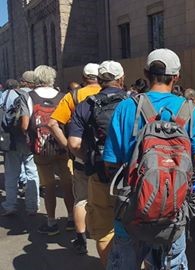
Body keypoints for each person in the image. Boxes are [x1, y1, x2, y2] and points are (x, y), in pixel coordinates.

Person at [103, 48, 195, 269]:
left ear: (145, 73)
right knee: (173, 263)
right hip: (174, 207)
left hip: (133, 208)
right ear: (176, 77)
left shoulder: (126, 107)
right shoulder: (190, 109)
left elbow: (111, 161)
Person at [68, 60, 127, 266]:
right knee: (132, 227)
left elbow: (74, 143)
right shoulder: (135, 102)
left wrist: (90, 158)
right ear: (121, 79)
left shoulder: (86, 105)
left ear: (99, 80)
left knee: (103, 229)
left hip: (100, 175)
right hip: (132, 178)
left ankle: (110, 265)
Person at [48, 63, 101, 254]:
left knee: (82, 199)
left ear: (84, 77)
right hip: (108, 157)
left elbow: (53, 123)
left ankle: (80, 239)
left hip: (82, 155)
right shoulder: (113, 92)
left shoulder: (74, 96)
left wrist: (67, 146)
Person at [19, 65, 74, 235]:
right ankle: (72, 218)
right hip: (62, 146)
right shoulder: (64, 96)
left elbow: (25, 125)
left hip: (41, 149)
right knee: (67, 183)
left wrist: (29, 137)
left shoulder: (29, 96)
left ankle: (51, 222)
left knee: (48, 185)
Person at [0, 79, 40, 217]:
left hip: (10, 140)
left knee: (11, 173)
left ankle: (10, 205)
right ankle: (32, 206)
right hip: (28, 138)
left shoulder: (3, 96)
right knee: (32, 171)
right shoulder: (27, 94)